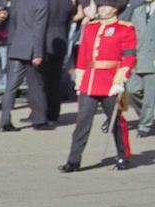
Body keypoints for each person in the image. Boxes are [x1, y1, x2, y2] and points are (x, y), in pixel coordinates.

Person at [58, 0, 136, 171]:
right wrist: (80, 79)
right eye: (100, 6)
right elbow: (83, 56)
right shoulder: (91, 28)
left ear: (115, 9)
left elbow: (129, 57)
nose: (102, 9)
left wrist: (121, 79)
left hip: (110, 82)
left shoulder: (125, 28)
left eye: (105, 6)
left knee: (116, 122)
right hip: (90, 82)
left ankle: (123, 156)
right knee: (82, 123)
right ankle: (73, 160)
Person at [0, 0, 51, 131]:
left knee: (11, 86)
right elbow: (39, 29)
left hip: (17, 44)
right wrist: (38, 53)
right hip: (31, 47)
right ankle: (39, 118)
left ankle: (5, 121)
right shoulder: (42, 3)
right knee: (36, 83)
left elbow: (14, 22)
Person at [122, 0, 154, 137]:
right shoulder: (138, 11)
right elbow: (132, 34)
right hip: (138, 59)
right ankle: (147, 117)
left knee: (149, 97)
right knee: (132, 90)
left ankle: (145, 125)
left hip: (152, 59)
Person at [43, 0, 77, 123]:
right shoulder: (67, 3)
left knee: (44, 81)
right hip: (61, 38)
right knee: (55, 80)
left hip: (46, 40)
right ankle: (53, 113)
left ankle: (43, 112)